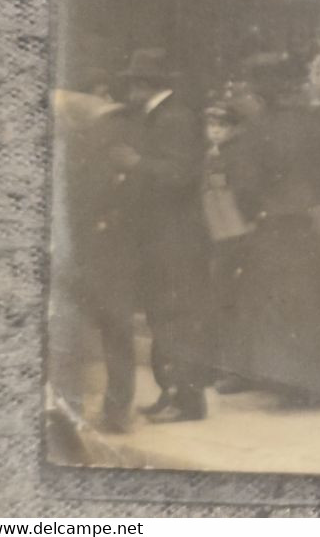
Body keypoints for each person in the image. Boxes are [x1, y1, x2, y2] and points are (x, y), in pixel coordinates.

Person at [226, 55, 320, 405]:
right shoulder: (314, 126)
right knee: (306, 304)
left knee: (274, 305)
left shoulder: (257, 130)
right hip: (305, 222)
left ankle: (284, 385)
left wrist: (252, 214)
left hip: (271, 222)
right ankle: (309, 385)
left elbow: (244, 184)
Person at [110, 48, 212, 423]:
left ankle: (186, 400)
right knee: (164, 316)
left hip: (176, 238)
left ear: (143, 85)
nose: (130, 93)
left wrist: (135, 164)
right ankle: (172, 392)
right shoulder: (161, 117)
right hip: (162, 237)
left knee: (175, 317)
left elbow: (180, 174)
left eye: (133, 84)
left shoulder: (174, 118)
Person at [54, 73, 141, 433]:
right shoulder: (75, 145)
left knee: (113, 328)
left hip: (103, 248)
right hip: (82, 248)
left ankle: (116, 409)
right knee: (95, 330)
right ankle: (80, 408)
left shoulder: (98, 143)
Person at [198, 88, 256, 396]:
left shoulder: (237, 155)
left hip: (235, 234)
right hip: (216, 234)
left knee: (231, 303)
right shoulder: (210, 156)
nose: (215, 131)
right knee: (218, 302)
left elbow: (245, 193)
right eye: (211, 126)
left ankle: (236, 371)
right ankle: (218, 366)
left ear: (233, 129)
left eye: (221, 126)